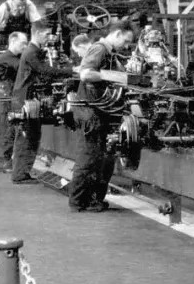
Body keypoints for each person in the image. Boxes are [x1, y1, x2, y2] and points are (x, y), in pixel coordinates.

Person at [70, 20, 135, 212]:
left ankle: (91, 200)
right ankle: (77, 202)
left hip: (98, 111)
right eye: (126, 41)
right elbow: (85, 74)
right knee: (89, 157)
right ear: (117, 34)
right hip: (89, 111)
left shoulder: (109, 53)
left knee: (99, 159)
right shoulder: (99, 49)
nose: (126, 46)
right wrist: (112, 76)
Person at [10, 22, 76, 184]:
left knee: (31, 137)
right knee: (26, 138)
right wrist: (71, 71)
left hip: (27, 97)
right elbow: (45, 70)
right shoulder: (31, 52)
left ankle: (22, 173)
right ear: (38, 33)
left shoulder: (34, 51)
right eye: (46, 34)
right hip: (25, 99)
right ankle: (19, 175)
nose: (49, 37)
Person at [0, 32, 28, 173]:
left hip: (8, 96)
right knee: (6, 129)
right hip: (5, 98)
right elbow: (23, 68)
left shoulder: (12, 57)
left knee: (10, 128)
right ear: (12, 41)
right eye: (22, 43)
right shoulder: (7, 58)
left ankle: (7, 161)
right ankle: (4, 163)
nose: (25, 46)